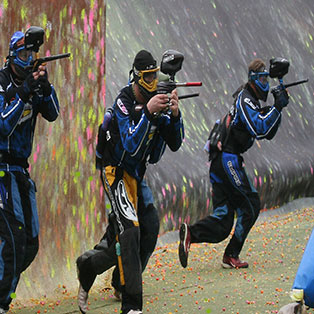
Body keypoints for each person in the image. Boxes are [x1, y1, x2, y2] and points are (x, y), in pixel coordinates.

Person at [76, 49, 184, 314]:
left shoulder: (156, 100)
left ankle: (94, 269)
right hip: (115, 172)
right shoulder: (123, 102)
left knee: (149, 229)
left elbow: (176, 142)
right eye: (147, 77)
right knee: (130, 233)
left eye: (154, 75)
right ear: (136, 77)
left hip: (136, 175)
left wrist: (175, 115)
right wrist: (148, 113)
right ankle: (132, 306)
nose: (152, 81)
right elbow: (131, 145)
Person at [178, 58, 289, 269]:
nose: (265, 83)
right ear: (253, 80)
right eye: (262, 79)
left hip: (223, 162)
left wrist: (278, 108)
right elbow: (260, 129)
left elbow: (268, 132)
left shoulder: (250, 101)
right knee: (250, 205)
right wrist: (276, 108)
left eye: (267, 78)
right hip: (227, 160)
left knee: (222, 221)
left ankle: (190, 233)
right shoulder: (245, 100)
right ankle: (231, 255)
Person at [0, 28, 59, 313]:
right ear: (12, 56)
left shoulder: (33, 83)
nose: (29, 59)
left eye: (32, 54)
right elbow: (2, 126)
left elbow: (53, 113)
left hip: (21, 171)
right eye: (24, 54)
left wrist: (44, 88)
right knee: (13, 239)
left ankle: (2, 289)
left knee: (30, 243)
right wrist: (24, 92)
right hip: (1, 170)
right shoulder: (1, 83)